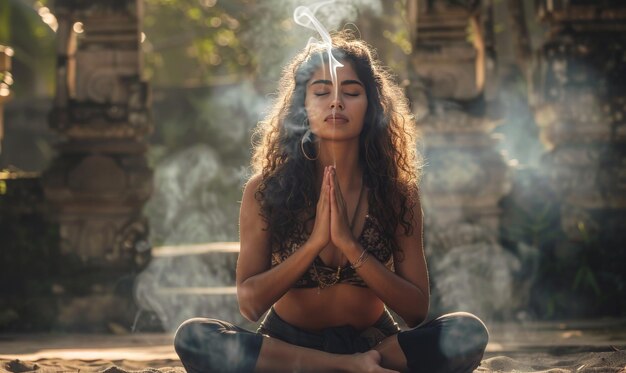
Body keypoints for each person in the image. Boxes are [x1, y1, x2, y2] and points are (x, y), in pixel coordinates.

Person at [174, 31, 489, 373]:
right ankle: (345, 366)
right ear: (302, 107)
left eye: (351, 92)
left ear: (371, 106)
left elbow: (416, 310)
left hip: (377, 344)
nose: (336, 102)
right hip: (287, 345)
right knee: (194, 336)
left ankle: (351, 364)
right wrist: (314, 244)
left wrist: (351, 247)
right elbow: (250, 305)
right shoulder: (265, 191)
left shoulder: (396, 193)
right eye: (321, 92)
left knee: (467, 330)